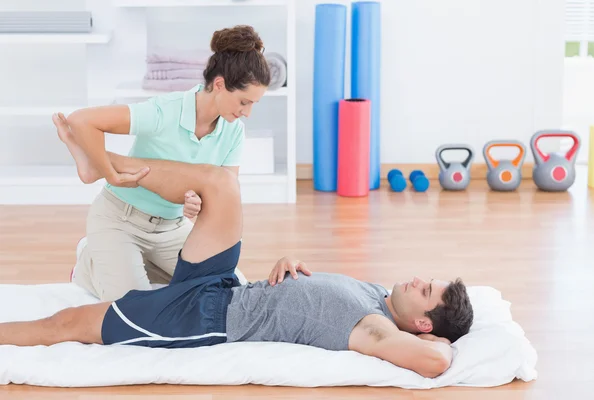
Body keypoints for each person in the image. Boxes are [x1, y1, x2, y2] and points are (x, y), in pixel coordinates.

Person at [0, 141, 474, 379]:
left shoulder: (379, 330)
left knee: (65, 324)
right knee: (222, 185)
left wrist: (451, 348)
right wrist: (289, 261)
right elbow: (314, 300)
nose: (417, 281)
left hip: (202, 317)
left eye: (425, 291)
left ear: (425, 325)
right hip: (226, 285)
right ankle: (101, 163)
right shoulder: (378, 296)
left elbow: (433, 363)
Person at [52, 25, 272, 302]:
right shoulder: (164, 111)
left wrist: (199, 204)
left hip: (172, 227)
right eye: (244, 101)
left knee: (226, 291)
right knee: (135, 308)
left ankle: (133, 262)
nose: (247, 113)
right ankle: (89, 264)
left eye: (253, 104)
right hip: (121, 219)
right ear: (219, 85)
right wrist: (112, 175)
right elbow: (82, 120)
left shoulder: (233, 131)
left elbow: (224, 194)